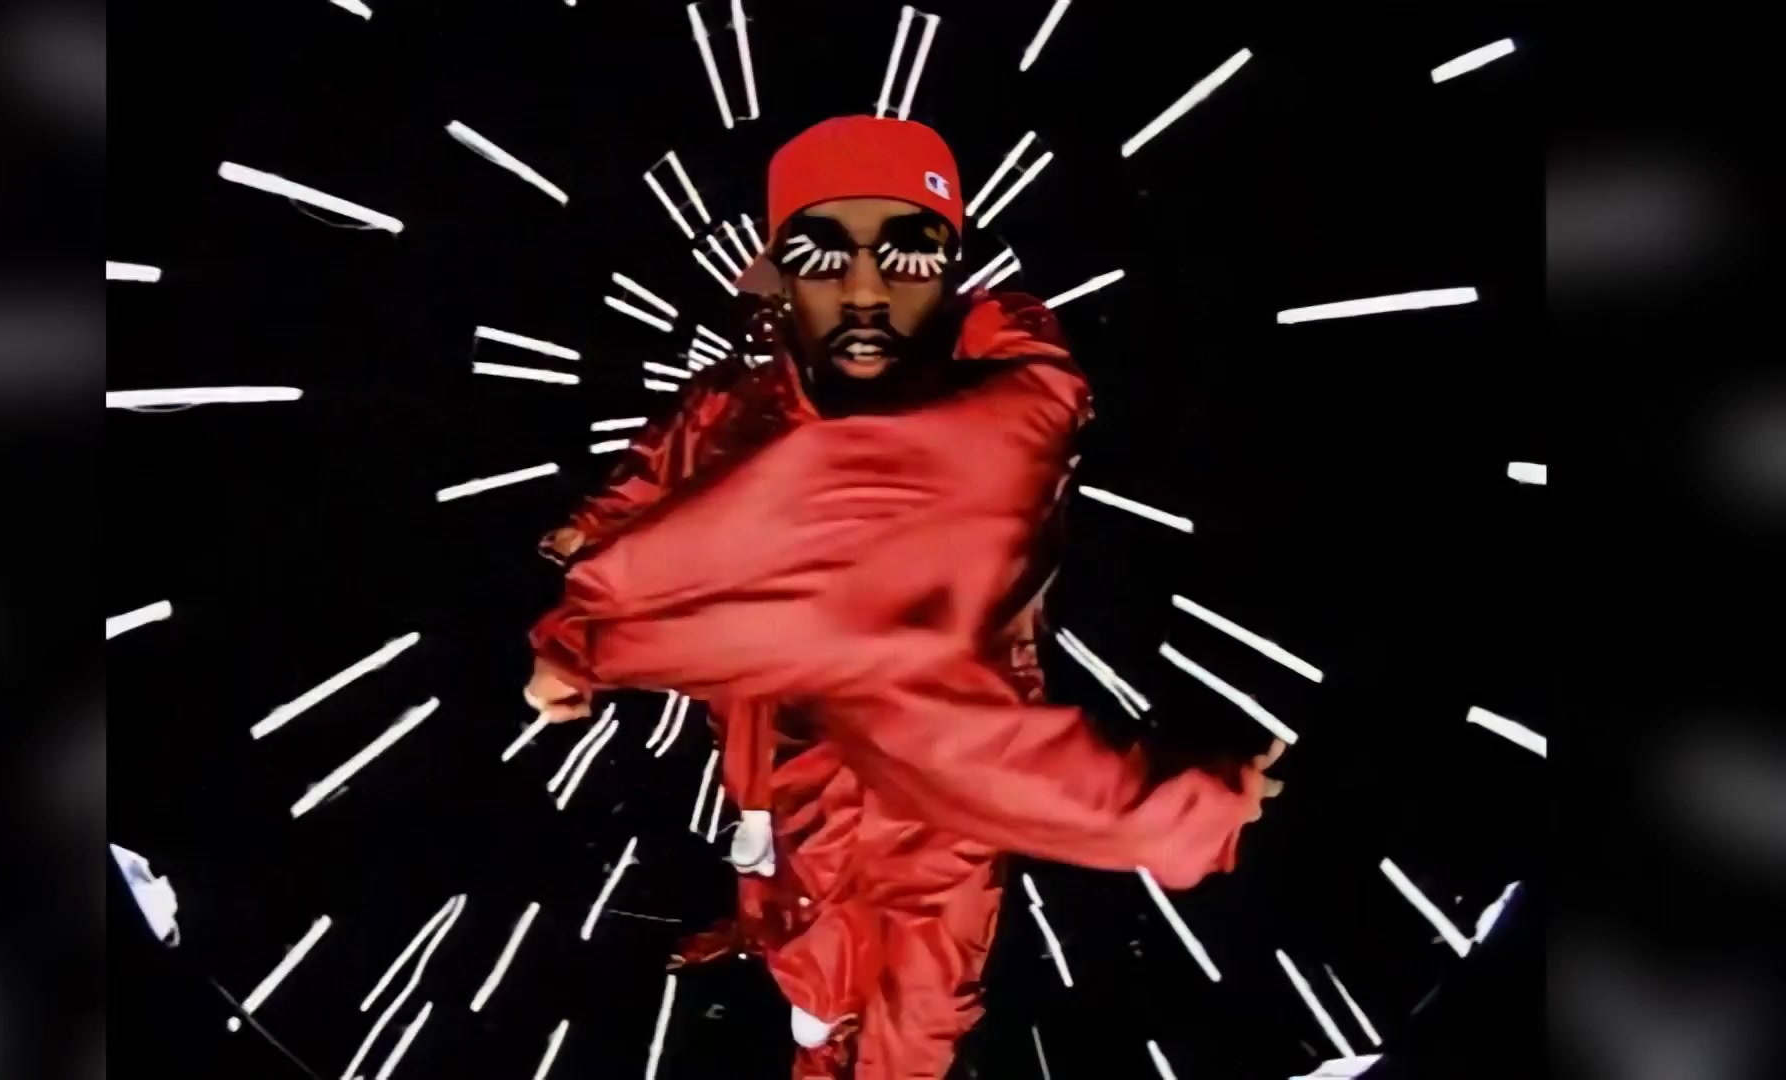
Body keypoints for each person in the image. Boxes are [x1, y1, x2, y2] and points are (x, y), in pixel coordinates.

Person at [524, 115, 1284, 1079]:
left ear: (953, 273)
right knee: (800, 925)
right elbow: (658, 473)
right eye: (820, 254)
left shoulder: (1000, 409)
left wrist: (589, 634)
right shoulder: (735, 403)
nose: (865, 291)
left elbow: (901, 638)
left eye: (910, 254)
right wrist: (587, 556)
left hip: (944, 759)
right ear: (780, 274)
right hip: (780, 747)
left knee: (924, 986)